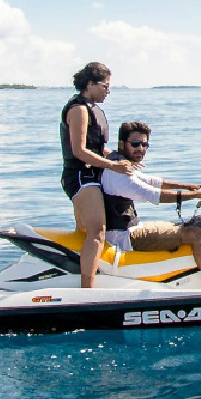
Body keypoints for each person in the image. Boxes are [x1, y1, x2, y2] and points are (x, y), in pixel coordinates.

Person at [101, 121, 201, 288]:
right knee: (195, 233)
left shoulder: (119, 163)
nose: (141, 149)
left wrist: (186, 186)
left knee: (186, 224)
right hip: (123, 237)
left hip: (129, 229)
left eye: (145, 144)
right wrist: (197, 195)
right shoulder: (118, 174)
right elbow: (153, 194)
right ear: (122, 144)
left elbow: (151, 181)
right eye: (135, 144)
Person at [60, 62, 134, 288]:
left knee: (85, 231)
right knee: (96, 232)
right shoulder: (79, 109)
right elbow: (79, 151)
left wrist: (123, 159)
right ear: (90, 84)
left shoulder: (92, 109)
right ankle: (87, 289)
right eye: (105, 86)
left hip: (90, 175)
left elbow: (97, 149)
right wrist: (113, 167)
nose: (108, 91)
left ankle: (78, 272)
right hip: (81, 177)